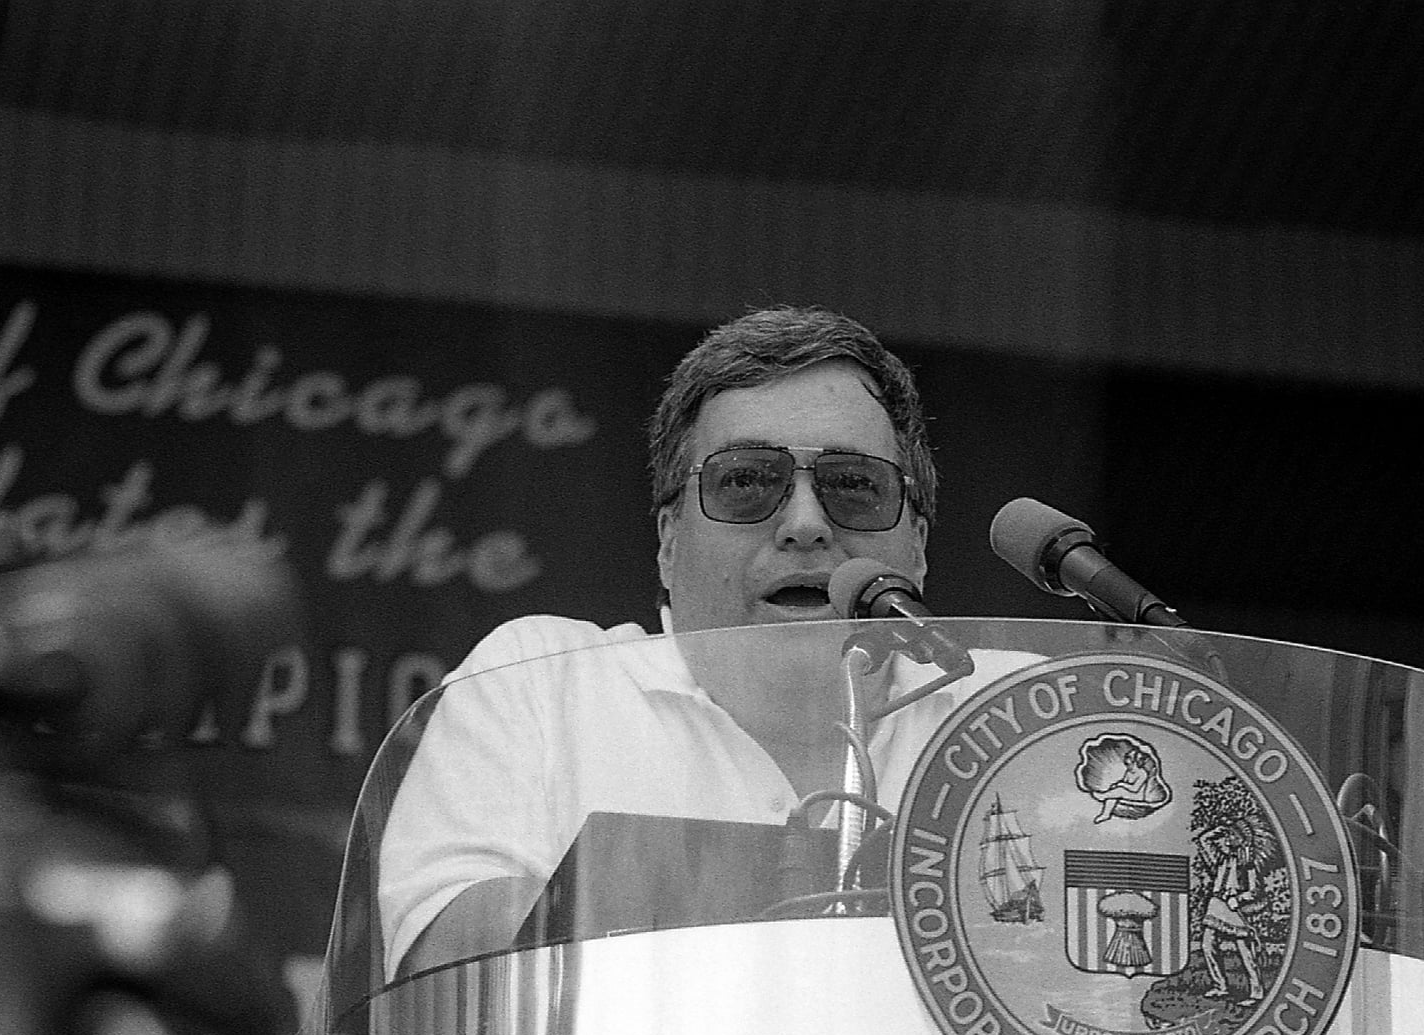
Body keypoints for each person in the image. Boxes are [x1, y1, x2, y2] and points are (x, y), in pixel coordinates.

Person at [375, 307, 1025, 977]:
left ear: (917, 546)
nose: (805, 524)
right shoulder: (541, 681)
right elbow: (450, 966)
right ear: (669, 541)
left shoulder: (1022, 713)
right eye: (746, 481)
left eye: (854, 487)